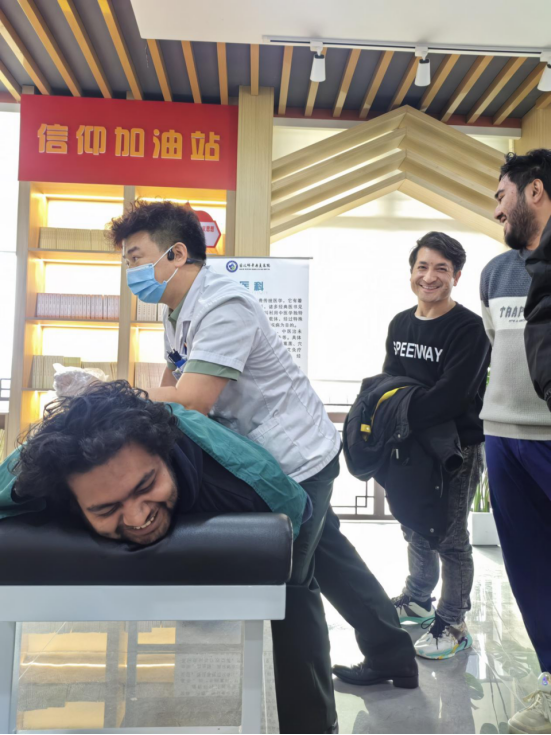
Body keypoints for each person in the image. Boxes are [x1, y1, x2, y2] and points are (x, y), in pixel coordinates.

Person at [109, 200, 417, 722]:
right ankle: (393, 654)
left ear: (176, 254)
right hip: (273, 455)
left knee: (290, 587)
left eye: (135, 257)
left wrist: (115, 394)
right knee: (331, 556)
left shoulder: (224, 305)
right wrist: (146, 403)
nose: (130, 271)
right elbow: (174, 382)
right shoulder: (177, 310)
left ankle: (311, 724)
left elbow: (192, 400)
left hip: (298, 459)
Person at [1, 380, 323, 732]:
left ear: (165, 457)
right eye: (106, 508)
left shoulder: (245, 486)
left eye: (146, 486)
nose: (137, 518)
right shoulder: (33, 485)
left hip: (299, 458)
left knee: (300, 584)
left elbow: (296, 509)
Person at [367, 232, 489, 662]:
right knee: (413, 524)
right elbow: (389, 381)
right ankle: (419, 598)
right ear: (412, 273)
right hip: (409, 444)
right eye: (423, 266)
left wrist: (401, 409)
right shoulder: (401, 323)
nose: (430, 276)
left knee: (450, 537)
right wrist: (397, 413)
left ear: (456, 276)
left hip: (456, 448)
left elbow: (451, 398)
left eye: (441, 268)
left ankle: (453, 621)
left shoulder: (469, 329)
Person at [481, 149, 551, 735]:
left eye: (502, 195)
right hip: (502, 437)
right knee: (529, 570)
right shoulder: (494, 273)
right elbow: (496, 347)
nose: (497, 209)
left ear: (535, 191)